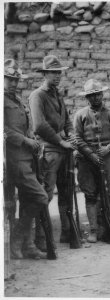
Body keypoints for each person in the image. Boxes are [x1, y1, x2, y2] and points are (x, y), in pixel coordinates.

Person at [29, 55, 75, 248]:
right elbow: (39, 125)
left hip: (63, 149)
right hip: (48, 150)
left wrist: (71, 133)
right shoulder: (37, 95)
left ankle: (67, 233)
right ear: (44, 74)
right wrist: (60, 141)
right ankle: (41, 239)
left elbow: (66, 120)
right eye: (53, 73)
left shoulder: (58, 94)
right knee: (45, 194)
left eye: (59, 73)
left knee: (67, 192)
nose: (57, 76)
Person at [4, 59, 48, 259]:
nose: (13, 83)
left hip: (27, 158)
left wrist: (32, 138)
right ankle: (16, 239)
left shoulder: (17, 100)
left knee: (28, 199)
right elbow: (4, 130)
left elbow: (24, 126)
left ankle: (27, 245)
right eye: (9, 79)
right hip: (12, 159)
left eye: (15, 79)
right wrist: (25, 141)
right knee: (40, 197)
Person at [74, 79, 110, 243]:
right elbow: (77, 138)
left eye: (98, 94)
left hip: (106, 156)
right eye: (92, 96)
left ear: (102, 95)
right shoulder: (80, 115)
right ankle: (93, 230)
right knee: (90, 193)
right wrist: (89, 153)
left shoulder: (109, 114)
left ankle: (104, 225)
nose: (95, 98)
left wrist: (109, 148)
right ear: (87, 98)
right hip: (87, 159)